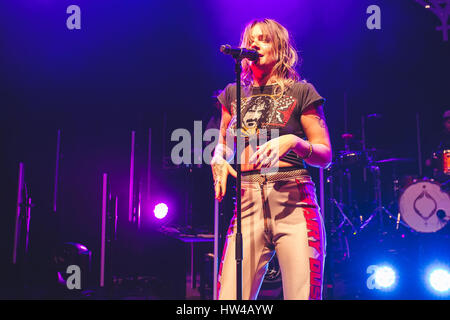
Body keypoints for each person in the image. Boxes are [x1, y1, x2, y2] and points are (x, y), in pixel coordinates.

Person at [210, 18, 332, 300]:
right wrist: (217, 157)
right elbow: (223, 146)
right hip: (247, 204)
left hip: (293, 203)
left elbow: (325, 154)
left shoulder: (302, 92)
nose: (254, 44)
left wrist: (294, 142)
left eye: (264, 39)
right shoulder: (232, 94)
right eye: (250, 40)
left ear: (281, 48)